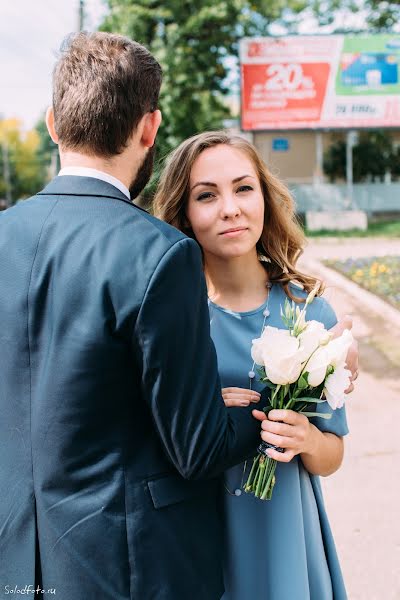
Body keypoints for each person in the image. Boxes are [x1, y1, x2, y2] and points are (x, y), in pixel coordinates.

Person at [0, 33, 270, 600]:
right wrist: (281, 392)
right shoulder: (159, 253)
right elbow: (198, 449)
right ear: (150, 128)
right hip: (129, 568)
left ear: (53, 123)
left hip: (15, 564)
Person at [154, 131, 357, 600]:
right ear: (184, 212)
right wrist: (197, 412)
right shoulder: (170, 320)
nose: (230, 208)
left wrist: (305, 438)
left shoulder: (311, 314)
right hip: (202, 534)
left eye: (244, 188)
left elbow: (332, 457)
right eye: (207, 195)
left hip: (285, 532)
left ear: (264, 196)